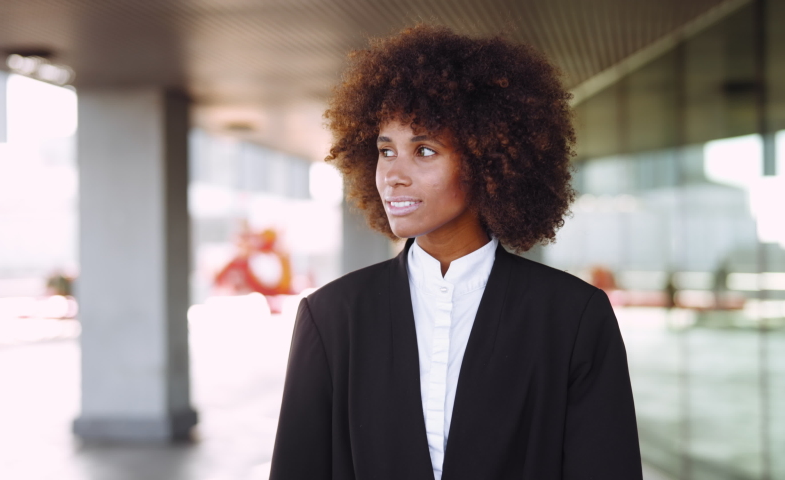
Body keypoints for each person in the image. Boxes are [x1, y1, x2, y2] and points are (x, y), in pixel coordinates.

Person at [270, 25, 641, 480]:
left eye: (424, 150)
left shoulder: (573, 318)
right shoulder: (330, 317)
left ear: (488, 161)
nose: (393, 176)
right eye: (386, 151)